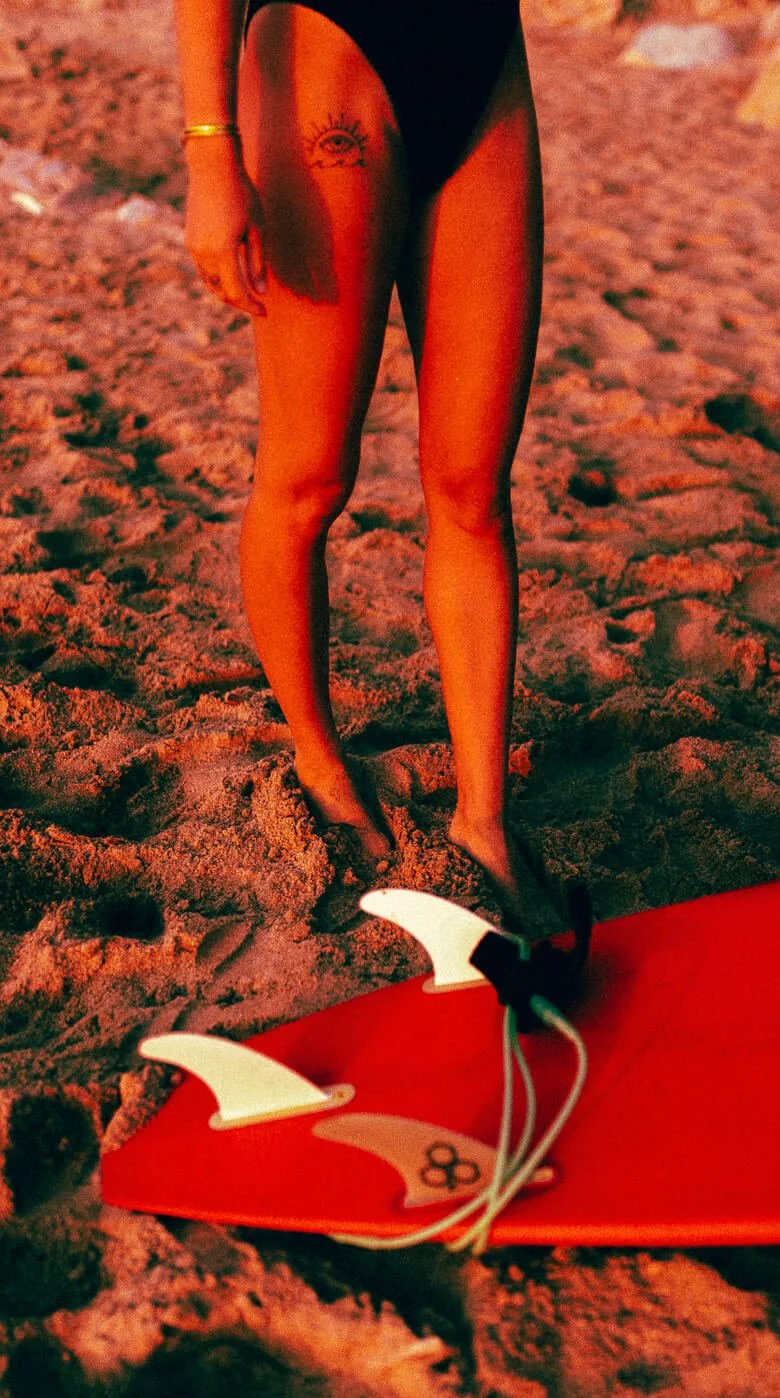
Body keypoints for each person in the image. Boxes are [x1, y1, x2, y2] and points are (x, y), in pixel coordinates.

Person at [173, 0, 543, 910]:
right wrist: (211, 152)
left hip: (483, 61)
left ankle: (483, 822)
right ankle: (315, 752)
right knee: (308, 484)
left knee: (471, 486)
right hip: (327, 52)